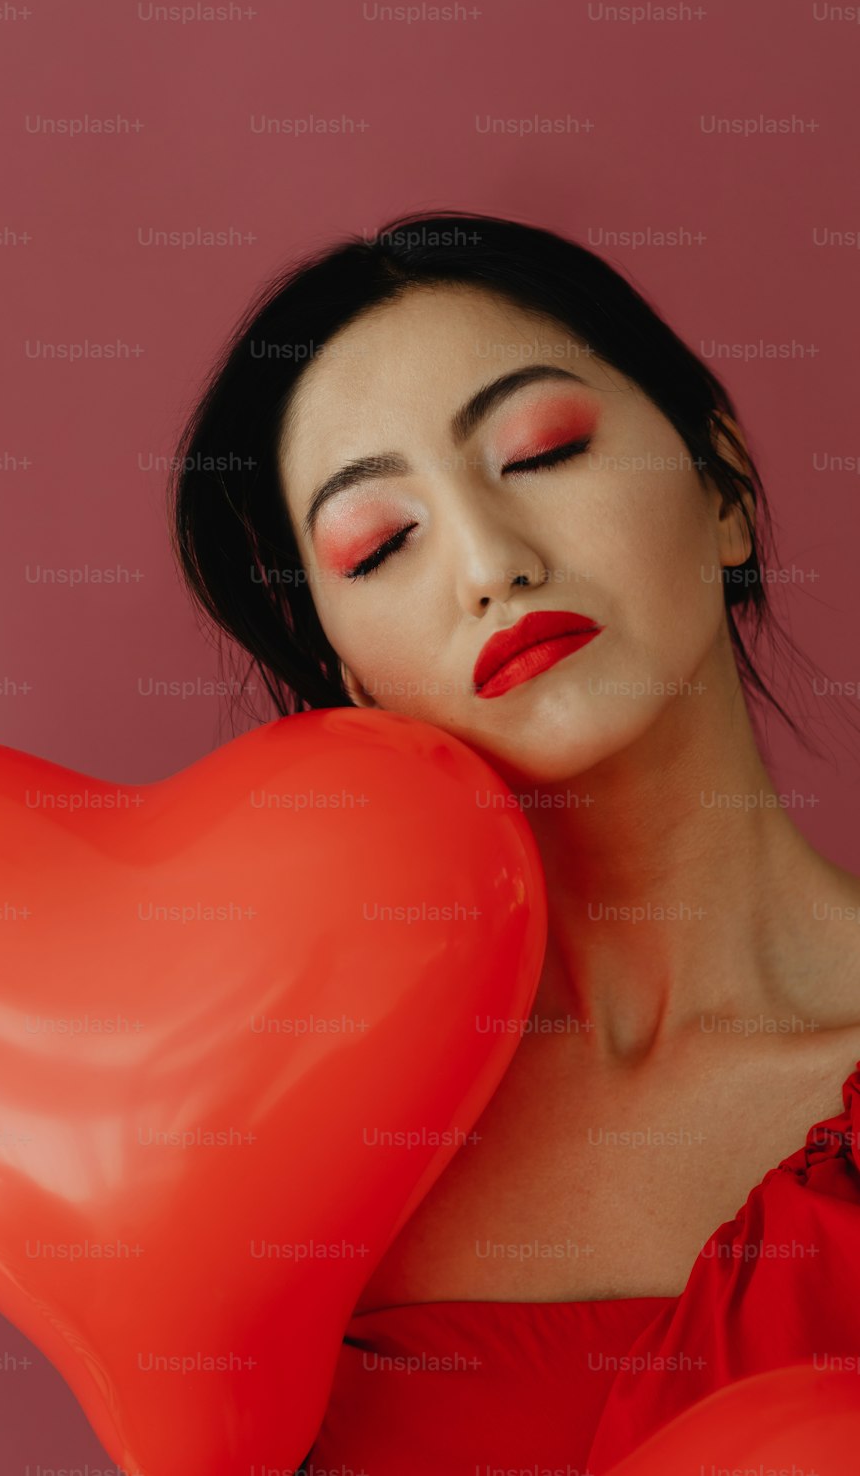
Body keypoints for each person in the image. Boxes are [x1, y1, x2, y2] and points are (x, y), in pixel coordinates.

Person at [168, 210, 860, 1472]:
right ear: (348, 674)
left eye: (539, 452)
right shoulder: (295, 1149)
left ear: (721, 492)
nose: (490, 564)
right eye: (379, 542)